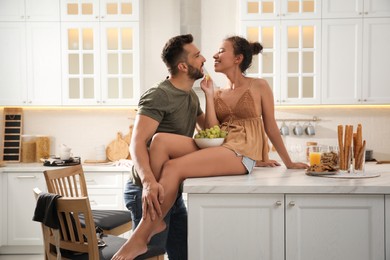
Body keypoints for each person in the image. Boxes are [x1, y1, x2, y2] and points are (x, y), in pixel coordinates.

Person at [113, 36, 308, 260]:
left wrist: (286, 161)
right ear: (183, 65)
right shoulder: (207, 93)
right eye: (199, 55)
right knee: (160, 141)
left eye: (220, 51)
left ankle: (141, 236)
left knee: (174, 168)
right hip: (220, 149)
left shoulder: (259, 85)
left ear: (238, 58)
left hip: (240, 151)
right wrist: (208, 95)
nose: (210, 56)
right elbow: (213, 133)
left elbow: (270, 127)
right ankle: (155, 213)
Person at [122, 34, 206, 260]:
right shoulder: (159, 94)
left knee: (185, 254)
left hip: (171, 191)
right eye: (197, 56)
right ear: (183, 66)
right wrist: (149, 183)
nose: (204, 59)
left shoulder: (191, 96)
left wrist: (212, 95)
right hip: (147, 191)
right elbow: (136, 143)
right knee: (143, 255)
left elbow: (209, 134)